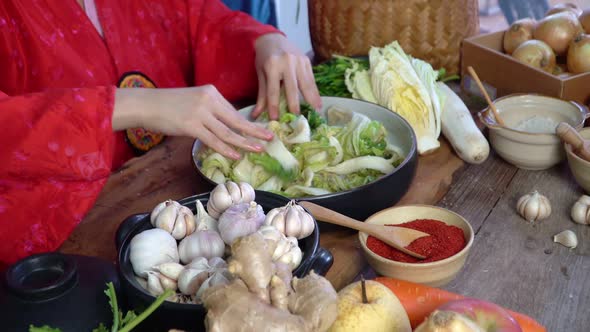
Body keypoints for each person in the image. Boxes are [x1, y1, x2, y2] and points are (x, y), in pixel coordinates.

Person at [0, 0, 321, 266]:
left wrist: (262, 41)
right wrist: (124, 106)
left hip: (176, 191)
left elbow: (202, 20)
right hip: (71, 245)